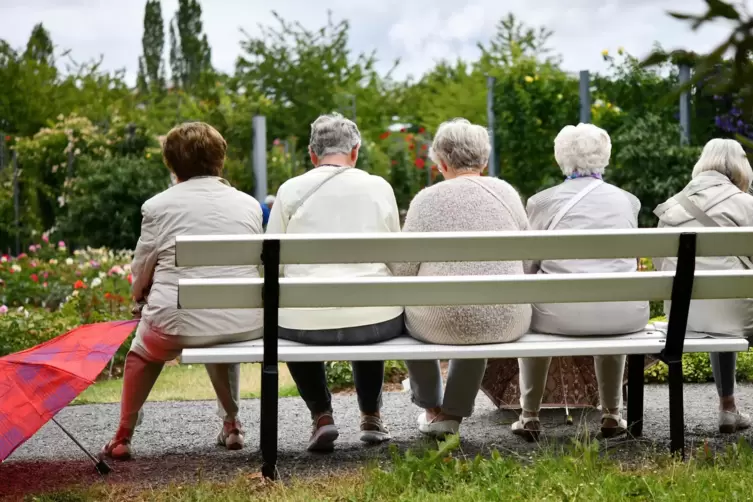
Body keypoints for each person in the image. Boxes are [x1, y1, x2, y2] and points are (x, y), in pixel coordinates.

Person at [101, 122, 264, 460]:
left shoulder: (157, 207)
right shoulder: (248, 204)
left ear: (172, 165)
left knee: (143, 351)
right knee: (218, 325)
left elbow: (141, 269)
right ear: (220, 159)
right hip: (242, 322)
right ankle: (232, 424)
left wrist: (138, 297)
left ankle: (123, 435)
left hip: (175, 323)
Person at [266, 113, 403, 451]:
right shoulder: (378, 187)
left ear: (313, 155)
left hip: (304, 325)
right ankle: (371, 415)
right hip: (374, 324)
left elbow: (272, 262)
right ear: (355, 151)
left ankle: (322, 416)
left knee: (298, 308)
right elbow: (396, 255)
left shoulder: (289, 190)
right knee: (368, 303)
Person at [393, 118, 531, 438]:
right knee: (483, 303)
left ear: (441, 162)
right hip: (505, 318)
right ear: (484, 160)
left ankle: (431, 407)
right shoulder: (507, 193)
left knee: (412, 311)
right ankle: (452, 412)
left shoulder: (425, 200)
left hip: (438, 321)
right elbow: (528, 258)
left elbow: (402, 271)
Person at [514, 123, 648, 441]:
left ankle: (529, 416)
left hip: (557, 319)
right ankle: (612, 414)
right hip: (624, 316)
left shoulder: (541, 202)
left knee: (536, 304)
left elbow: (527, 267)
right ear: (605, 155)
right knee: (611, 294)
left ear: (560, 157)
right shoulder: (628, 201)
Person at [654, 138, 753, 433]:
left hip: (684, 320)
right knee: (728, 304)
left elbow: (661, 266)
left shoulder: (671, 206)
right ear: (740, 167)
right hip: (738, 317)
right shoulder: (746, 203)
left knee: (718, 306)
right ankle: (727, 408)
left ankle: (728, 407)